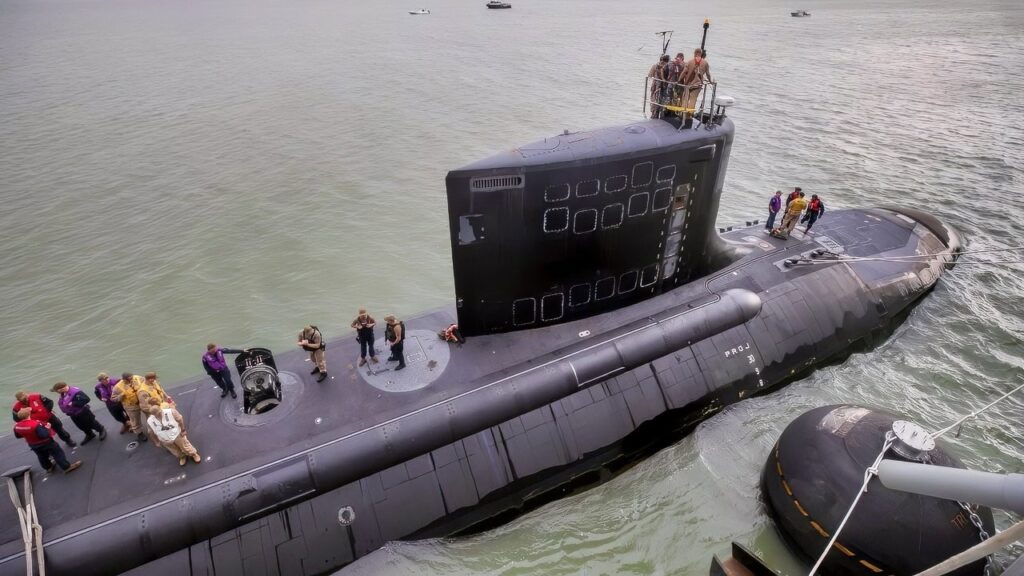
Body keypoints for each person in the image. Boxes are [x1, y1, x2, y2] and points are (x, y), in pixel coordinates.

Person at [13, 408, 81, 474]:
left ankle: (48, 467)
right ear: (29, 414)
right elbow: (44, 435)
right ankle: (66, 467)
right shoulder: (35, 424)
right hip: (46, 443)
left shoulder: (17, 426)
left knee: (42, 456)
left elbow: (18, 436)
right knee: (57, 453)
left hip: (33, 444)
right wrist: (48, 427)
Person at [144, 399, 200, 466]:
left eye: (159, 412)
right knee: (174, 450)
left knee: (185, 446)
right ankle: (182, 456)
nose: (157, 415)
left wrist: (183, 430)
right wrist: (156, 442)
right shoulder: (150, 421)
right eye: (155, 414)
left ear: (160, 409)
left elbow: (180, 419)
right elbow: (150, 432)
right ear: (152, 414)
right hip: (165, 440)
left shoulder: (171, 412)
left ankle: (193, 454)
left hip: (177, 435)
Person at [11, 391, 76, 447]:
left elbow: (50, 402)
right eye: (22, 400)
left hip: (49, 417)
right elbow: (16, 418)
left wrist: (46, 411)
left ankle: (68, 440)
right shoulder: (16, 407)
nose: (25, 400)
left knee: (59, 429)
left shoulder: (37, 396)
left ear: (27, 395)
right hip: (37, 424)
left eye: (26, 398)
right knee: (43, 436)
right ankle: (51, 448)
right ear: (18, 400)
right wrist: (27, 420)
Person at [111, 372, 147, 442]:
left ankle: (155, 427)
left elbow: (145, 382)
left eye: (132, 378)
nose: (131, 380)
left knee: (150, 414)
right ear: (124, 379)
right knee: (135, 420)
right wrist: (121, 395)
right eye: (129, 379)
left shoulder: (137, 377)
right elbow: (113, 399)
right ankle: (139, 433)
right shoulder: (117, 387)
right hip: (131, 406)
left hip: (143, 402)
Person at [681, 48, 711, 113]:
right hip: (698, 84)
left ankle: (682, 113)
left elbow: (684, 72)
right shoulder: (705, 63)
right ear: (701, 54)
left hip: (688, 83)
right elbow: (708, 74)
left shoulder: (689, 62)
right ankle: (689, 115)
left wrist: (679, 80)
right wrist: (710, 81)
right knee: (693, 99)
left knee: (685, 98)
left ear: (694, 53)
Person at [647, 54, 671, 119]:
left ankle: (654, 114)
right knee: (663, 101)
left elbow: (649, 75)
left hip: (655, 86)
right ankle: (662, 115)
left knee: (654, 100)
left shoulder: (655, 66)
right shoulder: (668, 67)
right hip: (664, 87)